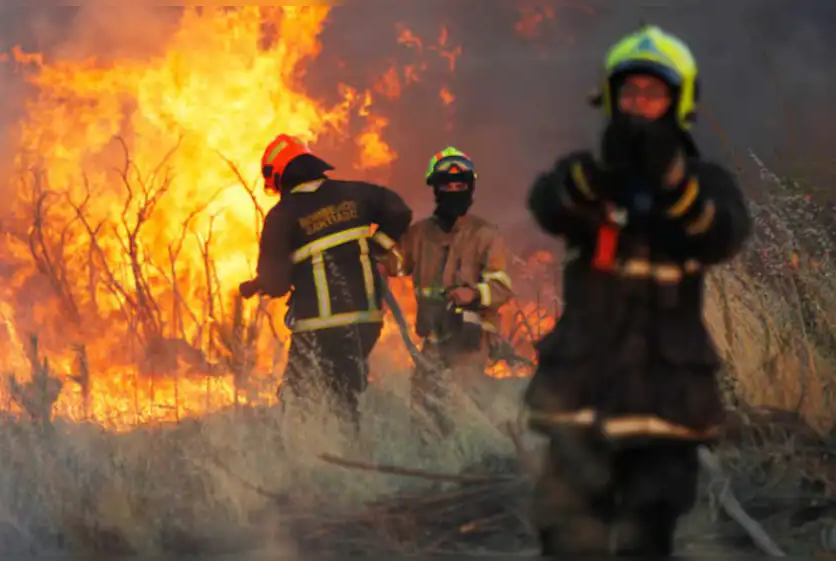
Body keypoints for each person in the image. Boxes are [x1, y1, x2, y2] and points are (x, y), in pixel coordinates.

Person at [523, 25, 752, 556]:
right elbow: (548, 204)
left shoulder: (705, 182)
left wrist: (671, 183)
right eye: (630, 93)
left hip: (665, 409)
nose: (640, 104)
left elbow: (723, 234)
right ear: (609, 98)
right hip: (581, 404)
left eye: (653, 93)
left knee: (646, 542)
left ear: (680, 101)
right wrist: (604, 177)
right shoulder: (586, 176)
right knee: (567, 538)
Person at [239, 134, 412, 436]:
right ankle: (353, 450)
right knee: (344, 395)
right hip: (366, 321)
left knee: (297, 400)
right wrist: (378, 245)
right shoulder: (354, 193)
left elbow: (277, 284)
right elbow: (399, 210)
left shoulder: (282, 216)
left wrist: (265, 283)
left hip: (320, 327)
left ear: (279, 176)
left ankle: (318, 459)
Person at [391, 147, 514, 438]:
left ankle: (477, 459)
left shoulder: (486, 234)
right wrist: (383, 237)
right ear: (436, 188)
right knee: (423, 408)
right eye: (447, 185)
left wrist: (474, 294)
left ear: (470, 189)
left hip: (470, 339)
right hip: (434, 342)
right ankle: (433, 464)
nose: (454, 191)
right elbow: (394, 265)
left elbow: (501, 287)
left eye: (461, 186)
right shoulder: (420, 234)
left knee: (461, 404)